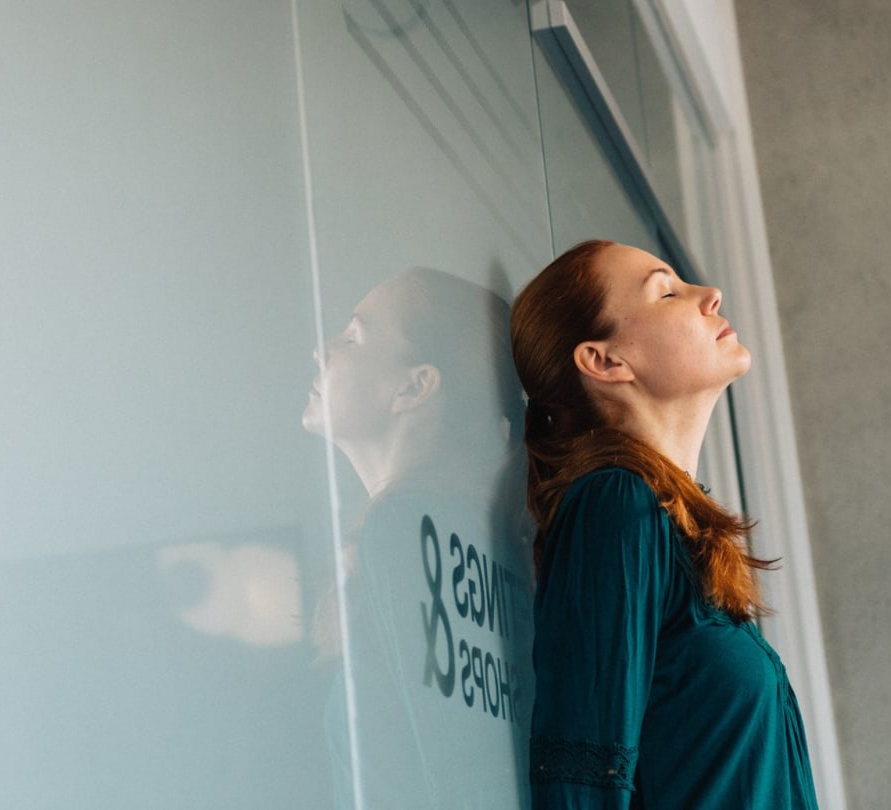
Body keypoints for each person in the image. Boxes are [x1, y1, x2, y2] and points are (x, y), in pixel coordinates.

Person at [509, 239, 817, 809]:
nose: (711, 295)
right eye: (667, 291)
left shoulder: (664, 519)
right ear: (604, 361)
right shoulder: (614, 503)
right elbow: (581, 778)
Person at [302, 267, 530, 809]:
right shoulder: (465, 531)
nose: (322, 350)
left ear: (414, 386)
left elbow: (467, 779)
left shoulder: (408, 530)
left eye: (354, 337)